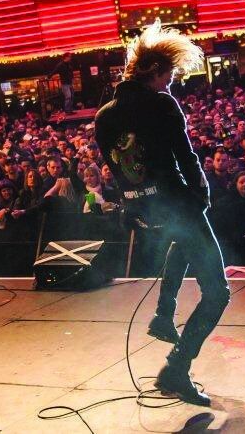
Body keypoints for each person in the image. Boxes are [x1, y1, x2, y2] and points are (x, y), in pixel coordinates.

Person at [95, 21, 228, 406]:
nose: (171, 83)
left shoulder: (104, 116)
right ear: (153, 71)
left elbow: (118, 168)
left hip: (146, 209)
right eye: (169, 75)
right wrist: (202, 194)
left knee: (183, 244)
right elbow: (185, 157)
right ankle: (177, 367)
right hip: (178, 204)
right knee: (218, 292)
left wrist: (133, 207)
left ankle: (163, 313)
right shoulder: (161, 104)